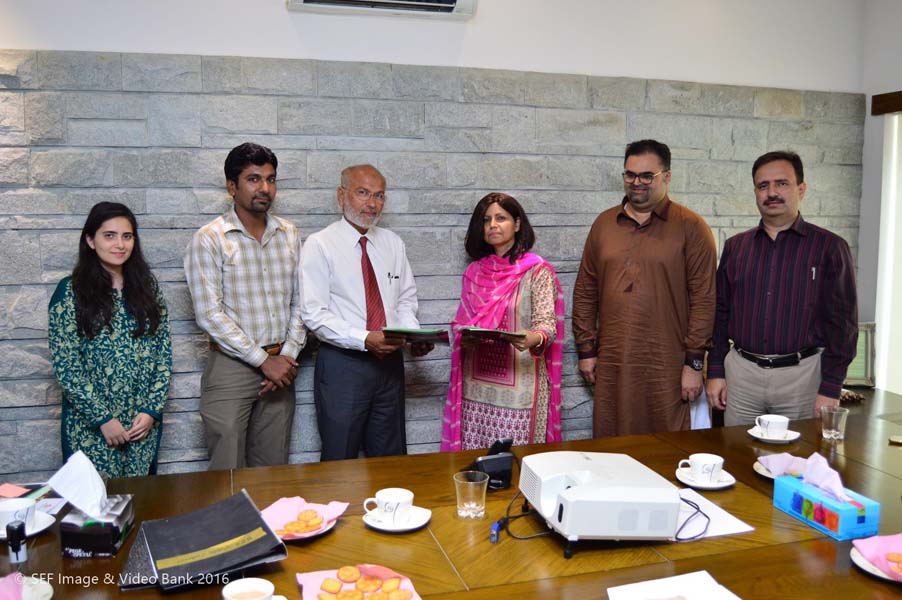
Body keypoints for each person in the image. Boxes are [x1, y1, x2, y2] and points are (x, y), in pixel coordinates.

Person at [572, 139, 717, 436]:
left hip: (667, 363)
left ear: (667, 176)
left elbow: (704, 299)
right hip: (613, 361)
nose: (637, 182)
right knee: (612, 441)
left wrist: (693, 364)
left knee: (667, 445)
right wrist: (586, 350)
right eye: (630, 174)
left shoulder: (691, 227)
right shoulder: (604, 224)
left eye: (647, 176)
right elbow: (586, 290)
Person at [706, 151, 858, 424]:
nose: (771, 193)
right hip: (742, 376)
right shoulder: (736, 247)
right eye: (763, 186)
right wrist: (716, 370)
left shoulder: (830, 247)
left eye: (782, 183)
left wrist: (831, 386)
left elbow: (843, 324)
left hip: (801, 378)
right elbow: (720, 312)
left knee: (798, 451)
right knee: (737, 448)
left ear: (801, 189)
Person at [184, 143, 306, 470]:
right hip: (231, 367)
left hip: (282, 368)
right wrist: (263, 361)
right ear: (232, 186)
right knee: (227, 471)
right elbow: (209, 314)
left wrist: (287, 357)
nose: (265, 188)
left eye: (271, 179)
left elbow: (301, 301)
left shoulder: (289, 233)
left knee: (272, 469)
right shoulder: (209, 238)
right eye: (253, 179)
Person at [300, 164, 432, 461]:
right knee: (340, 457)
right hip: (343, 365)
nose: (372, 203)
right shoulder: (320, 245)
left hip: (389, 365)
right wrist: (364, 338)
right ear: (341, 196)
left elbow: (405, 299)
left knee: (391, 459)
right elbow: (313, 314)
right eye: (363, 193)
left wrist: (411, 335)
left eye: (379, 195)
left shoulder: (393, 243)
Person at [48, 202, 171, 477]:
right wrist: (102, 419)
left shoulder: (148, 289)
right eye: (109, 235)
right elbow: (66, 366)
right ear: (90, 240)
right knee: (95, 502)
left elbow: (163, 354)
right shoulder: (70, 292)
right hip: (91, 428)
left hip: (141, 427)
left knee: (141, 499)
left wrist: (151, 411)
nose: (120, 244)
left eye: (127, 236)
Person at [440, 193, 565, 451]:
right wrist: (464, 336)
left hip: (520, 384)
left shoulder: (537, 271)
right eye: (486, 220)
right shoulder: (475, 272)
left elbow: (547, 325)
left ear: (517, 224)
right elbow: (462, 322)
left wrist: (531, 338)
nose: (493, 225)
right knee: (476, 456)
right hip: (476, 386)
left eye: (501, 218)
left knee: (514, 458)